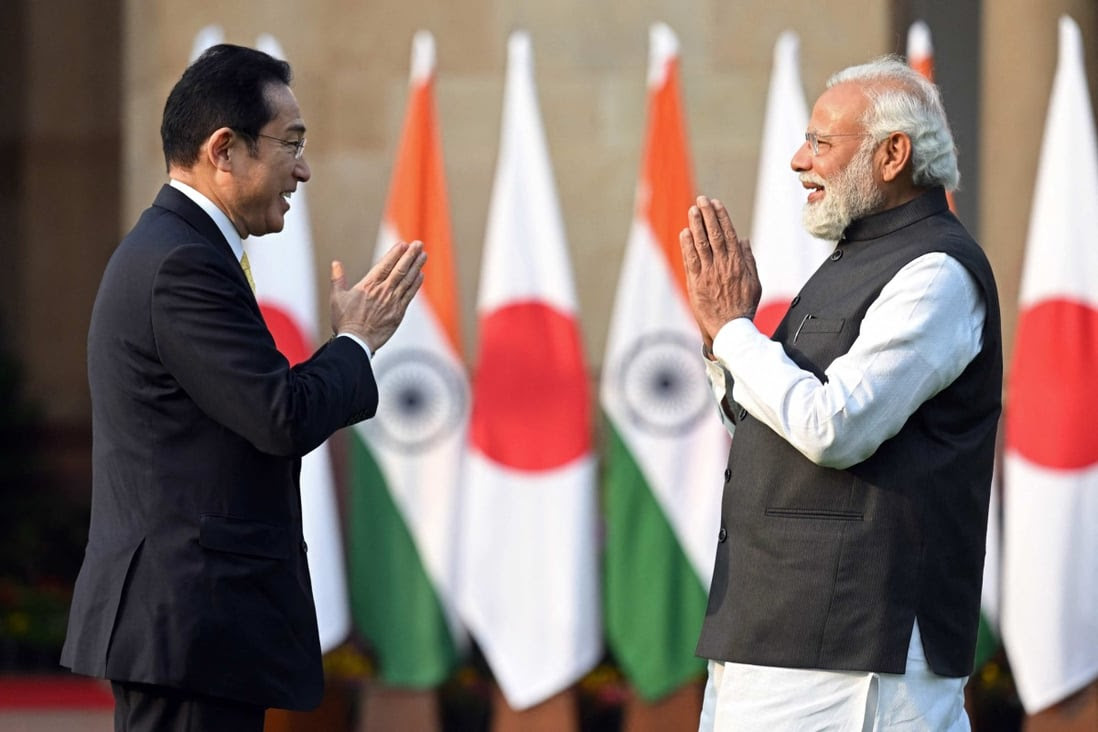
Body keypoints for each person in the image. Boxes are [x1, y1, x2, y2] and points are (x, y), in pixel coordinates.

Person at [60, 44, 425, 731]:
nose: (305, 169)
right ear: (224, 150)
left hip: (199, 632)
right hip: (188, 630)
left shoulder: (180, 249)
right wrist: (357, 341)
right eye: (291, 144)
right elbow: (278, 414)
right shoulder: (180, 265)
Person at [680, 56, 1001, 730]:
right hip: (773, 636)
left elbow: (834, 428)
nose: (801, 161)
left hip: (856, 650)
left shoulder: (936, 273)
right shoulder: (854, 258)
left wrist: (736, 332)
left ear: (892, 155)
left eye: (823, 143)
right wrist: (723, 349)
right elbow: (776, 428)